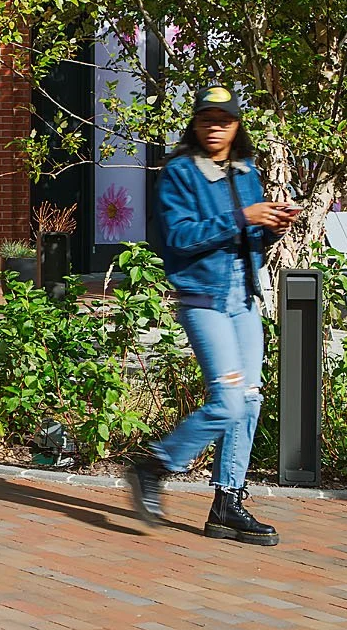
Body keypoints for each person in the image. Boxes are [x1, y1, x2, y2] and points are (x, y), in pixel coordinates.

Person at [125, 87, 300, 546]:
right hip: (202, 300)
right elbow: (178, 238)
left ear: (237, 125)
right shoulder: (179, 172)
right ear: (195, 124)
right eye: (207, 118)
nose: (215, 126)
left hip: (243, 300)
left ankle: (227, 504)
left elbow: (251, 248)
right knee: (228, 402)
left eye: (224, 119)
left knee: (252, 401)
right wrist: (243, 217)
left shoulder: (247, 173)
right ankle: (154, 466)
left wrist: (272, 230)